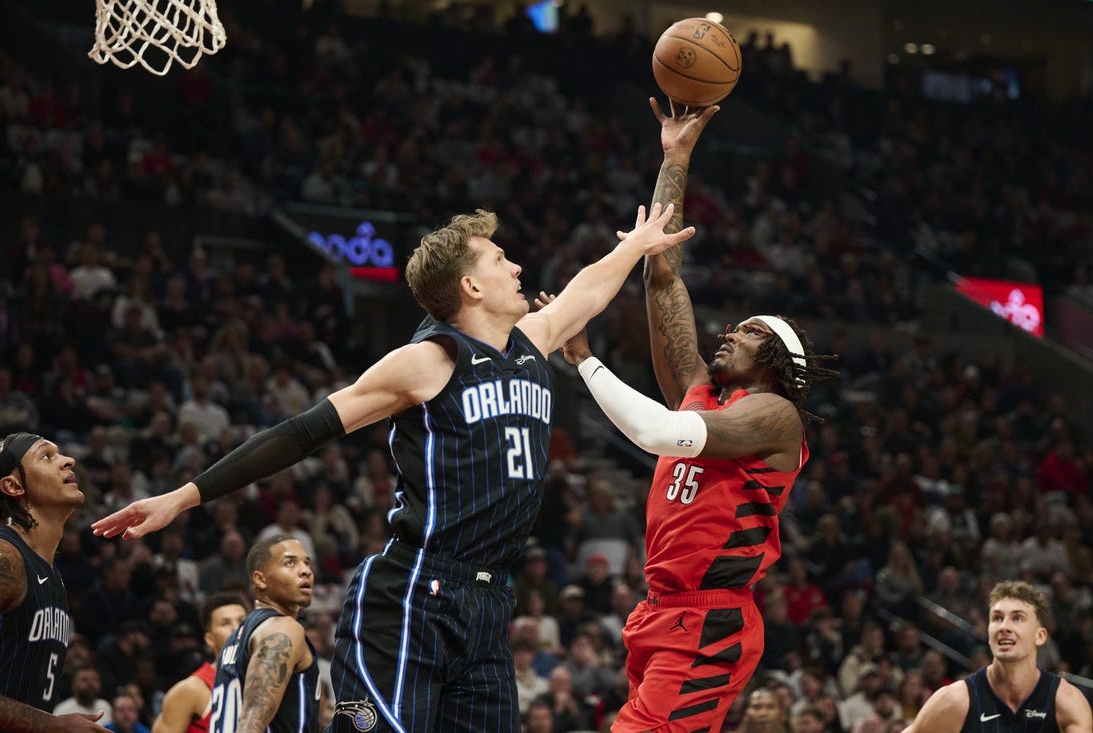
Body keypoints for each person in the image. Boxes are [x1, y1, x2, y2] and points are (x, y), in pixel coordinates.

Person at [92, 202, 694, 732]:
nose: (517, 269)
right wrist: (183, 496)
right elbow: (301, 432)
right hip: (412, 596)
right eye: (500, 259)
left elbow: (590, 288)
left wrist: (641, 238)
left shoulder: (532, 341)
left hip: (488, 604)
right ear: (470, 287)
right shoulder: (427, 361)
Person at [550, 99, 837, 732]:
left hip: (711, 617)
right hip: (660, 610)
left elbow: (657, 435)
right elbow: (661, 273)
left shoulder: (777, 416)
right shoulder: (702, 387)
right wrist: (675, 157)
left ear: (779, 360)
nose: (731, 331)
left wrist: (586, 361)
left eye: (751, 331)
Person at [0, 432, 108, 733]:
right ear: (13, 486)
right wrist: (50, 725)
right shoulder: (2, 558)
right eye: (47, 456)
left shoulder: (52, 573)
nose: (68, 460)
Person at [904, 580, 1092, 732]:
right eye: (997, 618)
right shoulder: (954, 701)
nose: (1004, 627)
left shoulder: (1066, 702)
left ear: (1040, 636)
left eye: (1017, 618)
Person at [210, 536, 324, 733]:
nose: (306, 571)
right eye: (290, 563)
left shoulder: (234, 640)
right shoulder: (283, 629)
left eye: (307, 563)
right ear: (260, 579)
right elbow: (251, 723)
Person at [152, 593, 248, 733]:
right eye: (225, 623)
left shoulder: (269, 681)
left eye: (242, 622)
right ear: (210, 639)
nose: (236, 628)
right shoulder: (191, 690)